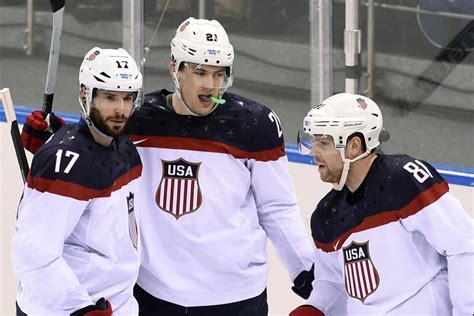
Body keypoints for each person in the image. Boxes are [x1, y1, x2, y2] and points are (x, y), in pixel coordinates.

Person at [20, 17, 315, 315]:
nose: (211, 85)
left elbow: (277, 208)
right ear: (174, 67)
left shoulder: (255, 125)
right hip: (153, 293)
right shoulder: (139, 117)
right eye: (200, 72)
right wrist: (54, 136)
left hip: (235, 297)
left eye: (219, 74)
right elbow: (94, 140)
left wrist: (304, 270)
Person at [290, 93, 474, 315]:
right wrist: (314, 308)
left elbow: (464, 246)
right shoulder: (326, 215)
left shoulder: (405, 179)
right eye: (313, 141)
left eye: (324, 143)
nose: (313, 152)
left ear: (354, 146)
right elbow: (334, 281)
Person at [12, 47, 143, 315]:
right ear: (86, 94)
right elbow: (32, 252)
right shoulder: (67, 161)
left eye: (127, 98)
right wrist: (80, 309)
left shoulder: (124, 147)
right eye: (109, 97)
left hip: (114, 303)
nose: (120, 109)